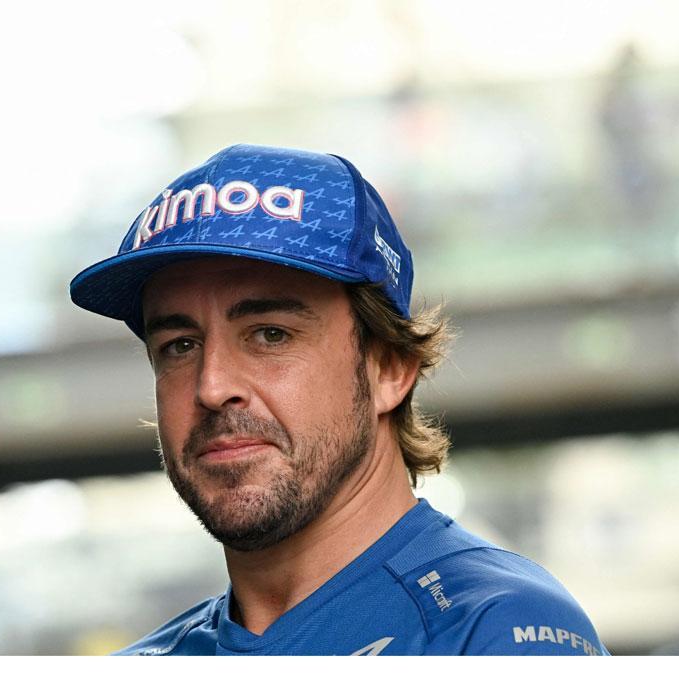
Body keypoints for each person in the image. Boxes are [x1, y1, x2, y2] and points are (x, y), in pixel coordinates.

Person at [69, 144, 609, 656]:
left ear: (390, 368)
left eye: (270, 334)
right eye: (179, 346)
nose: (211, 387)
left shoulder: (497, 631)